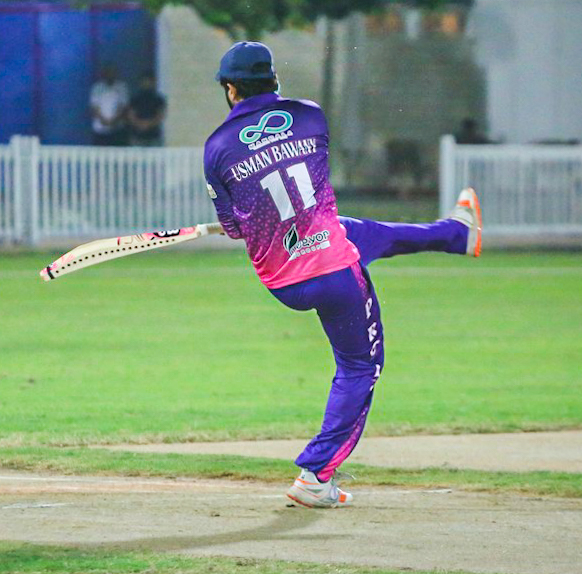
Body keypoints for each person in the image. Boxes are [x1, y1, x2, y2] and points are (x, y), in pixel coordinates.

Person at [203, 41, 481, 508]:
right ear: (274, 80)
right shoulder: (311, 116)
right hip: (333, 267)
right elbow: (305, 179)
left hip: (284, 279)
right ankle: (316, 475)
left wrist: (243, 214)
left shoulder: (216, 148)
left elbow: (234, 228)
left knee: (359, 231)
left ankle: (457, 234)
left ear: (230, 89)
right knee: (361, 367)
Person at [89, 66, 129, 146]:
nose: (110, 75)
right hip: (100, 129)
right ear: (104, 74)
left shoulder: (122, 87)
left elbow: (123, 106)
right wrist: (103, 120)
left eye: (112, 73)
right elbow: (94, 106)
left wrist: (114, 120)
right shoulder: (97, 87)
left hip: (117, 129)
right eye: (108, 73)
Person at [127, 72, 167, 146]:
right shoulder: (135, 98)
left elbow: (160, 115)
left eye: (149, 81)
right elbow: (131, 115)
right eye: (144, 81)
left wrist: (148, 124)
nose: (146, 84)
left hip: (154, 136)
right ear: (140, 83)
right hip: (137, 136)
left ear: (153, 83)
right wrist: (139, 124)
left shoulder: (159, 99)